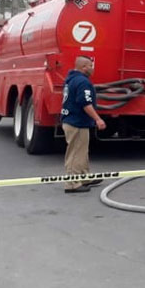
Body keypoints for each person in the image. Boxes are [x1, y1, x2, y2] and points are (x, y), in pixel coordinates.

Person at [60, 56, 106, 194]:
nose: (93, 68)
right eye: (91, 66)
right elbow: (85, 103)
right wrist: (98, 119)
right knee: (75, 153)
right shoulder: (82, 82)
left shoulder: (71, 79)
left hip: (72, 120)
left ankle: (84, 177)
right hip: (77, 122)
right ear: (84, 67)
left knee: (82, 152)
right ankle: (72, 183)